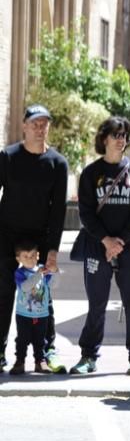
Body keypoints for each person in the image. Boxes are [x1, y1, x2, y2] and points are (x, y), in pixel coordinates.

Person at [72, 117, 130, 375]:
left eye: (124, 135)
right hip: (97, 246)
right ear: (104, 138)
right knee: (96, 303)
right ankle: (88, 356)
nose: (121, 140)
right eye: (116, 135)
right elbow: (86, 212)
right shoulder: (91, 173)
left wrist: (120, 242)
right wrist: (106, 240)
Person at [0, 105, 68, 374]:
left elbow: (58, 210)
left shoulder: (57, 163)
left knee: (42, 295)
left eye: (44, 124)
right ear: (24, 126)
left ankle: (47, 351)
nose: (40, 129)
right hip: (6, 235)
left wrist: (52, 250)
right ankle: (1, 351)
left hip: (39, 237)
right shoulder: (7, 156)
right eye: (35, 124)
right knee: (4, 293)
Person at [9, 241, 54, 375]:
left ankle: (40, 361)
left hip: (42, 314)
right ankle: (20, 361)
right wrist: (39, 274)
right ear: (19, 259)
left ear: (38, 255)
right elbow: (25, 286)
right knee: (22, 339)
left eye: (33, 255)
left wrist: (54, 271)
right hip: (24, 314)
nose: (30, 259)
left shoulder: (42, 270)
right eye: (26, 256)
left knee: (40, 340)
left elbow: (54, 284)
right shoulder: (20, 273)